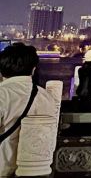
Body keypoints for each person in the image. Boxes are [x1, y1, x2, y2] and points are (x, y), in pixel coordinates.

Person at [0, 44, 57, 177]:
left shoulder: (3, 94)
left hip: (4, 169)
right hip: (38, 172)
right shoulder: (47, 97)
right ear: (33, 70)